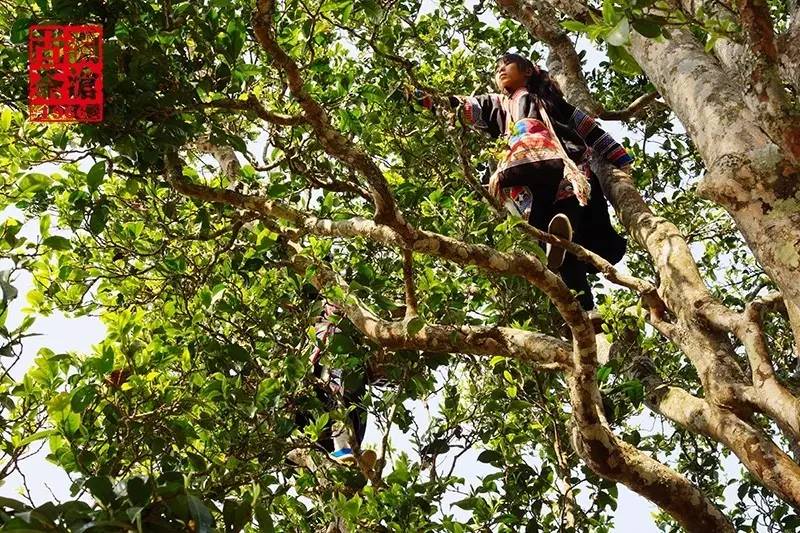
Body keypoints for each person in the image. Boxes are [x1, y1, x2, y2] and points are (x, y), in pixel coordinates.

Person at [416, 53, 630, 310]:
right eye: (496, 69)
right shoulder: (498, 104)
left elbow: (589, 129)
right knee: (550, 231)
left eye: (505, 65)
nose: (500, 71)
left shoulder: (551, 101)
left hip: (563, 167)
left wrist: (620, 158)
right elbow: (461, 105)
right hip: (523, 176)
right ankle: (572, 281)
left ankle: (586, 308)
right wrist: (422, 98)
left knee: (568, 226)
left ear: (527, 70)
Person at [306, 296, 377, 469]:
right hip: (329, 365)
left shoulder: (355, 320)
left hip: (350, 365)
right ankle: (341, 449)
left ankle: (352, 450)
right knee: (337, 402)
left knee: (353, 402)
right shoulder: (322, 323)